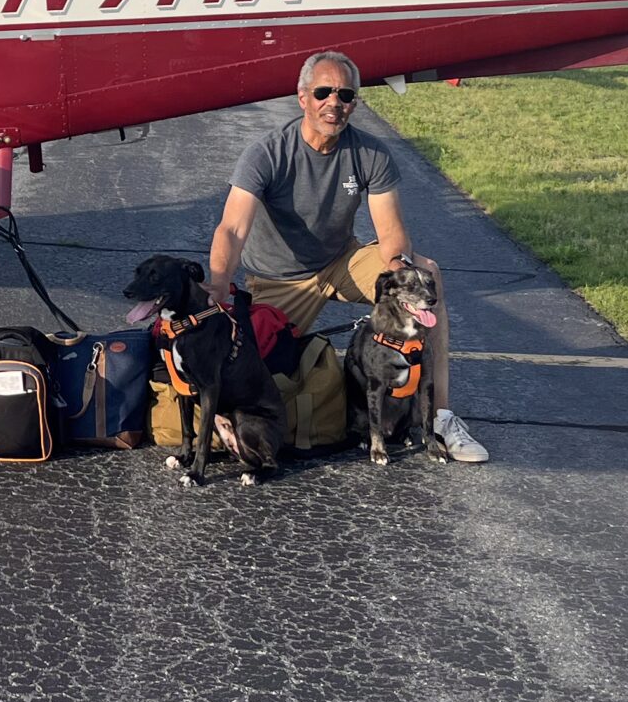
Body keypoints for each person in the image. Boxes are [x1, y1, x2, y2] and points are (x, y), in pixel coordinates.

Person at [205, 50, 488, 461]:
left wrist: (399, 274)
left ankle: (440, 416)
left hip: (341, 263)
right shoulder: (267, 153)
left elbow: (391, 234)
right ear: (303, 97)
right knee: (254, 376)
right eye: (323, 92)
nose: (333, 103)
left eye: (345, 94)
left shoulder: (370, 153)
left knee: (426, 273)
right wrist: (217, 284)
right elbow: (232, 229)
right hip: (278, 280)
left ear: (355, 102)